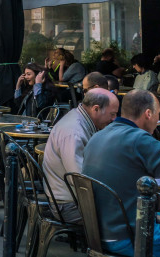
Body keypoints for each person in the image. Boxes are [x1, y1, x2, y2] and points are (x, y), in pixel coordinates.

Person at [83, 89, 160, 257]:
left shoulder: (98, 136)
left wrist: (153, 216)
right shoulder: (142, 140)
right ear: (148, 113)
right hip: (130, 237)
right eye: (158, 114)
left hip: (102, 231)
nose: (159, 120)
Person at [41, 88, 120, 222]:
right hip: (69, 205)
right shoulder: (74, 133)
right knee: (128, 216)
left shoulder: (78, 116)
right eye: (112, 114)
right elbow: (78, 180)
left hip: (70, 199)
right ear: (96, 109)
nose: (114, 119)